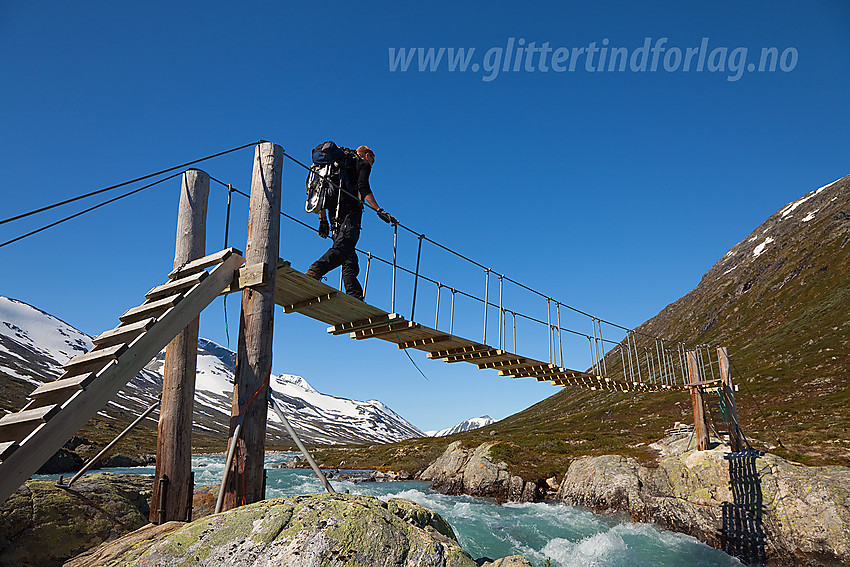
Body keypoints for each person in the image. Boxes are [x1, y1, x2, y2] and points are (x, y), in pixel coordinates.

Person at [305, 145, 396, 300]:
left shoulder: (337, 167)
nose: (372, 164)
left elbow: (323, 193)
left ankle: (354, 295)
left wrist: (323, 220)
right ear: (367, 155)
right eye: (372, 160)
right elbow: (363, 186)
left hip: (333, 213)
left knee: (349, 257)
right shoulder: (361, 163)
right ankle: (316, 269)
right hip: (350, 211)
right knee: (344, 247)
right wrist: (378, 210)